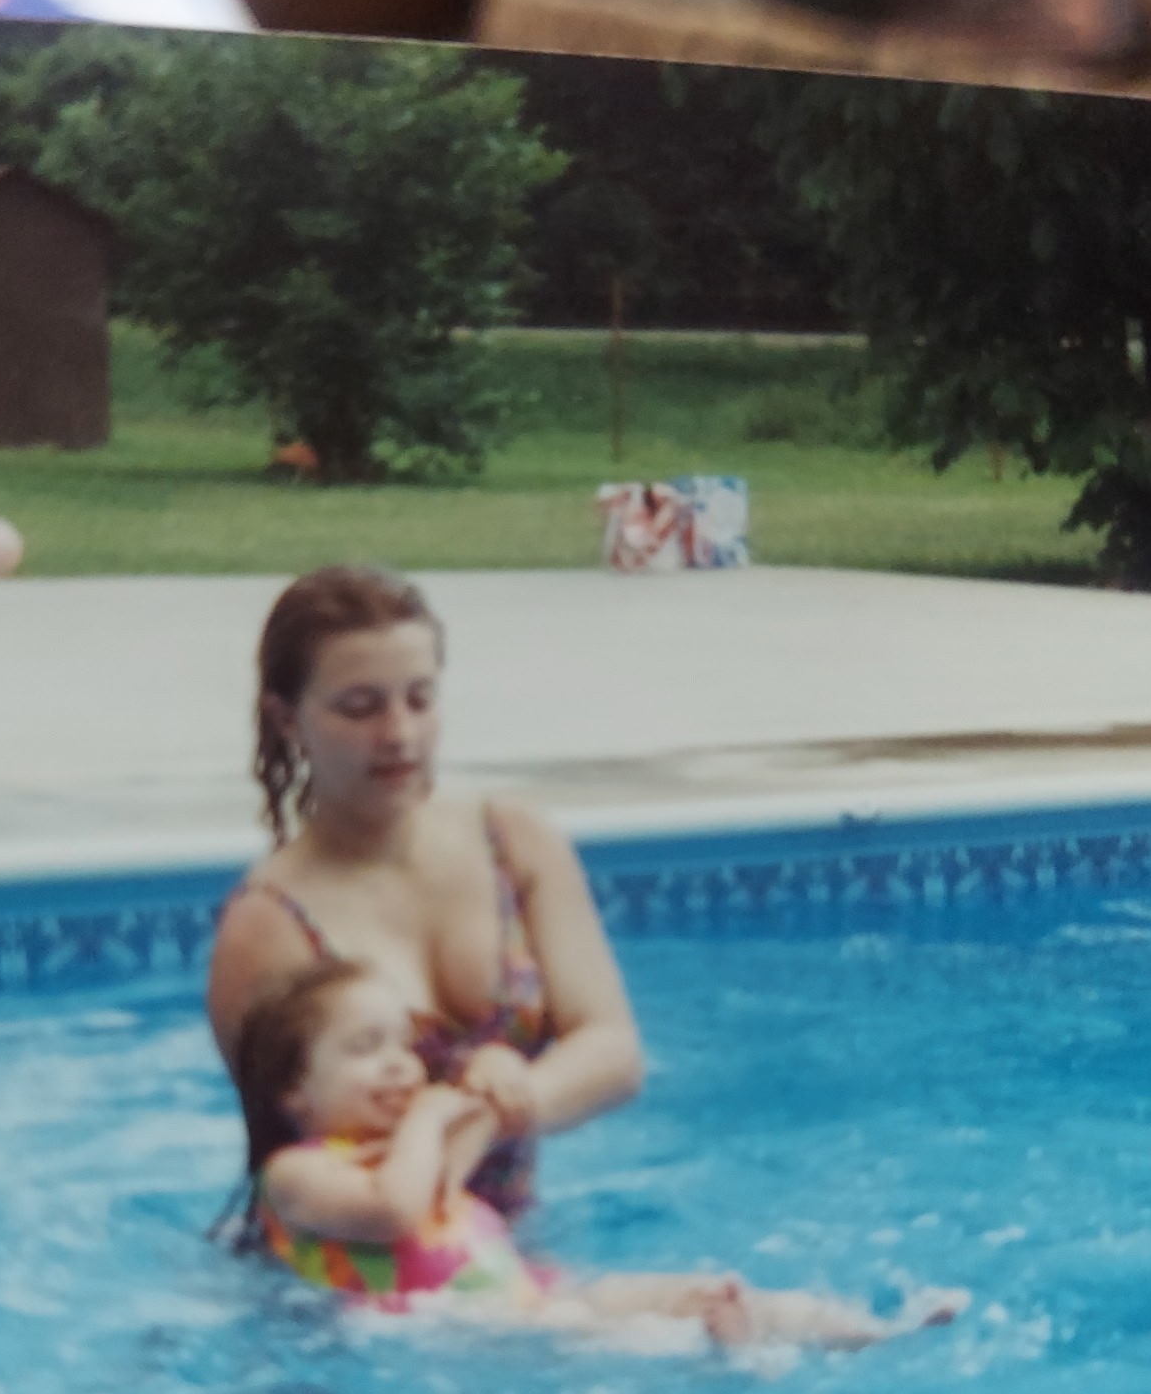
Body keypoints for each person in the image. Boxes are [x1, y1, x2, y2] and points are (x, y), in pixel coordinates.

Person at [227, 957, 968, 1352]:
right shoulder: (297, 1174)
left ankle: (864, 1331)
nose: (399, 1063)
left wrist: (492, 1073)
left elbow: (487, 1121)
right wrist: (429, 1114)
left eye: (403, 1043)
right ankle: (720, 1357)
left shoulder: (411, 1143)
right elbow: (393, 1212)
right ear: (295, 1091)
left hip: (529, 1294)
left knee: (694, 1291)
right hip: (465, 1334)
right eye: (365, 1048)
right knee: (612, 1339)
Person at [206, 564, 645, 1222]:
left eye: (419, 699)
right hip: (358, 1269)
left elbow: (613, 1049)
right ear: (286, 718)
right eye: (359, 707)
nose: (398, 734)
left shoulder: (513, 843)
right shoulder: (268, 928)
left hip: (505, 1252)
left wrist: (499, 1110)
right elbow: (294, 1161)